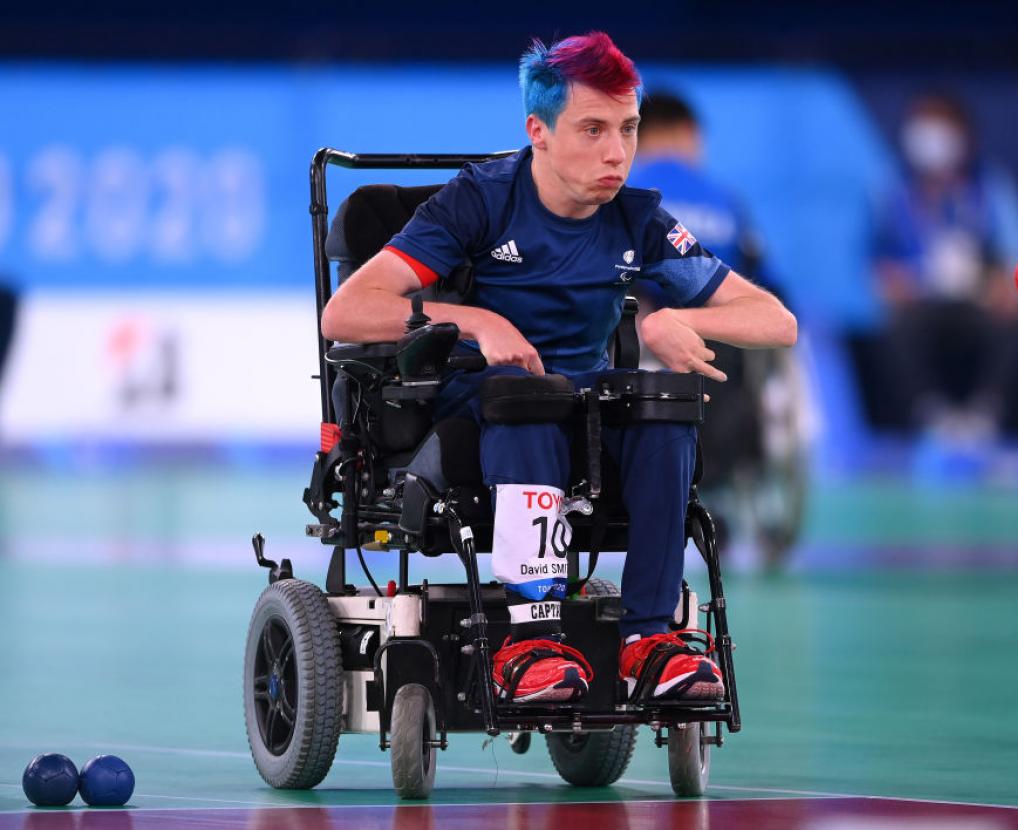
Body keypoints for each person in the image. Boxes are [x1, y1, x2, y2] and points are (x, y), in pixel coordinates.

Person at [321, 32, 796, 704]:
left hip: (587, 403)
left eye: (628, 129)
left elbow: (776, 321)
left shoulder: (639, 219)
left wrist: (680, 319)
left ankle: (648, 641)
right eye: (593, 129)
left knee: (664, 402)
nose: (616, 152)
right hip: (483, 401)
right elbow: (346, 312)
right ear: (538, 132)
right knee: (527, 395)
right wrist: (474, 321)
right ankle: (529, 637)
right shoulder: (480, 200)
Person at [627, 90, 808, 569]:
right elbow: (769, 290)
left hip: (648, 348)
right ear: (690, 135)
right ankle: (727, 487)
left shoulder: (627, 195)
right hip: (729, 358)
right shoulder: (725, 200)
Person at [872, 92, 1018, 443]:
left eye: (940, 128)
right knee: (896, 325)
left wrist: (1000, 282)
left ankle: (985, 414)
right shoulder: (893, 191)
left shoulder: (991, 187)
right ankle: (929, 415)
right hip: (922, 300)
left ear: (963, 137)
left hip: (976, 298)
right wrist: (895, 281)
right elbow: (875, 262)